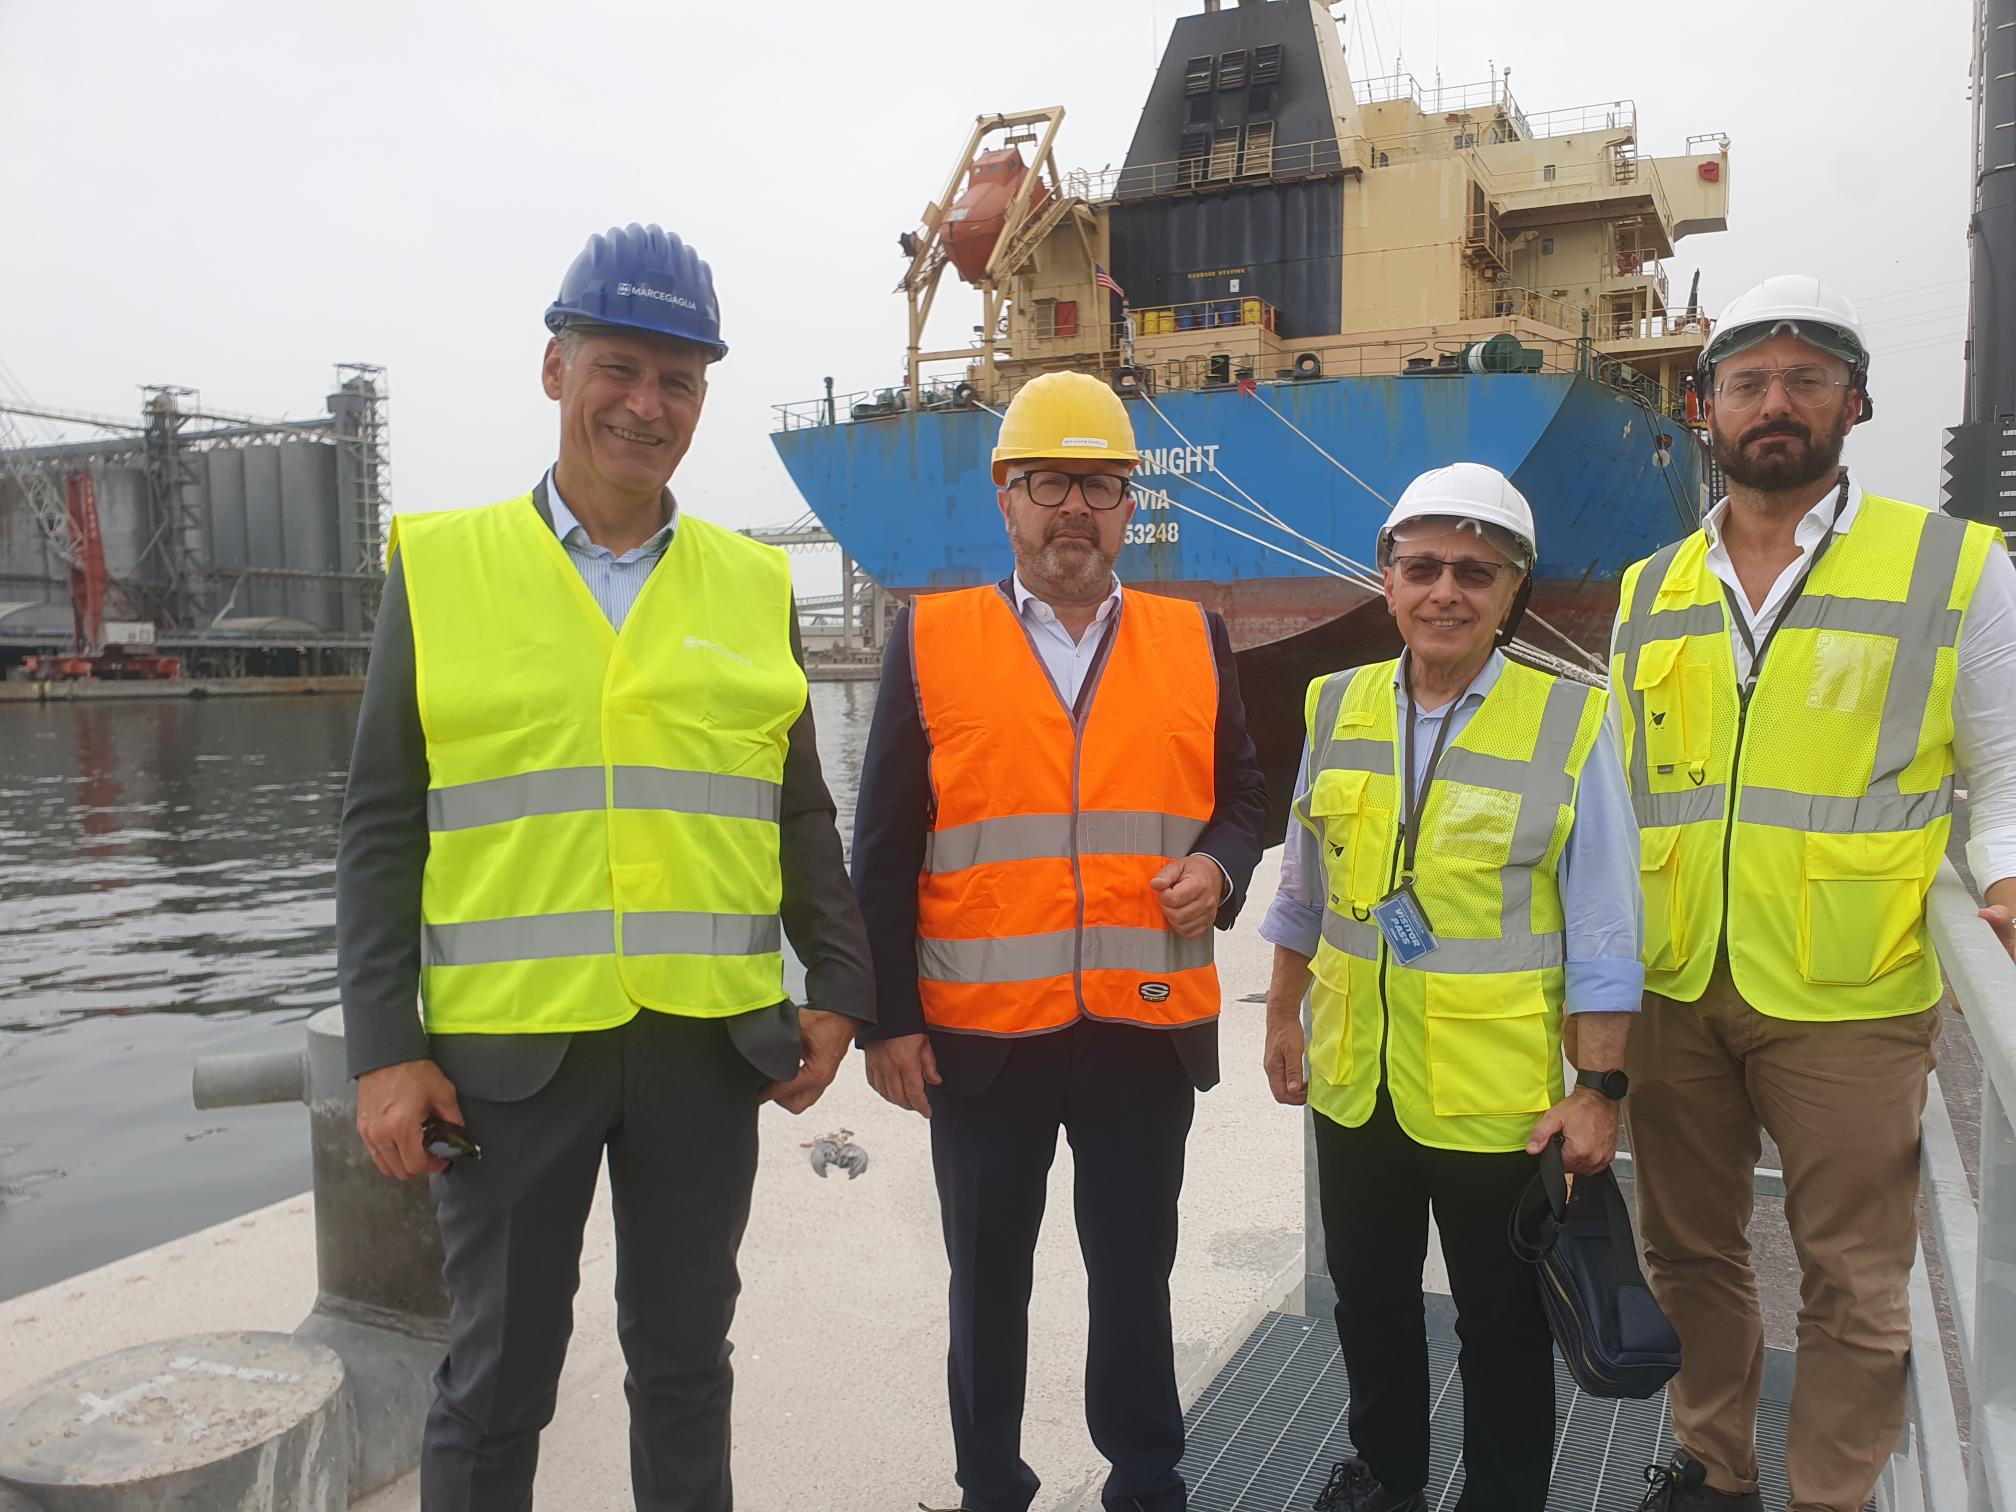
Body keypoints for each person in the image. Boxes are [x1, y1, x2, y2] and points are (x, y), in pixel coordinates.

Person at [335, 223, 874, 1512]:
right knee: (496, 1380)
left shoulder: (751, 583)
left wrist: (840, 982)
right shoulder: (442, 568)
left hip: (707, 1048)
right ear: (555, 370)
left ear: (702, 399)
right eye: (618, 368)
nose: (646, 404)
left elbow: (798, 807)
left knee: (686, 1366)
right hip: (508, 1062)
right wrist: (384, 1049)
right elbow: (381, 824)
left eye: (678, 380)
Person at [1614, 274, 2016, 1512]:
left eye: (1807, 379)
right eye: (1748, 382)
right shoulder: (1650, 586)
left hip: (1852, 990)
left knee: (1853, 1276)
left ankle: (1831, 1495)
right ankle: (1715, 1465)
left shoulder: (1955, 564)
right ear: (1704, 407)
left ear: (1855, 403)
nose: (1776, 403)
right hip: (1677, 979)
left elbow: (2006, 767)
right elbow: (1625, 790)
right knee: (1688, 1250)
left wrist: (2006, 879)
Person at [849, 370, 1268, 1512]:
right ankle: (991, 1484)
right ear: (1006, 498)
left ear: (1131, 505)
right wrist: (887, 1023)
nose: (1074, 508)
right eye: (1048, 483)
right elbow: (883, 847)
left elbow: (1244, 798)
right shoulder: (933, 640)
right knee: (987, 1283)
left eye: (1099, 486)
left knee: (1135, 1276)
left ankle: (1146, 1477)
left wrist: (1220, 868)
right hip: (983, 1039)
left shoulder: (1195, 639)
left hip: (1142, 1027)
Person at [1260, 463, 1644, 1512]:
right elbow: (1303, 882)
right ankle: (1387, 1480)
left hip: (1496, 1104)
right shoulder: (1333, 704)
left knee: (1502, 1326)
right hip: (1358, 1082)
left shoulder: (1572, 723)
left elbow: (1607, 929)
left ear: (1513, 591)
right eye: (1423, 567)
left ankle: (1502, 1499)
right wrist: (1284, 1012)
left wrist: (1598, 1091)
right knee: (1369, 1303)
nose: (1445, 592)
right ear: (1386, 579)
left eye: (1475, 573)